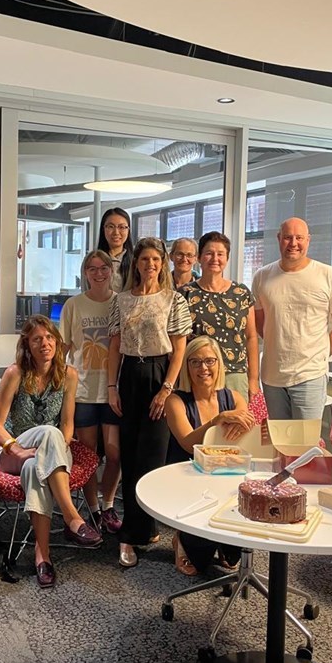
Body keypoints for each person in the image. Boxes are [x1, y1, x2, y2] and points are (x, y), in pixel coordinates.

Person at [0, 315, 103, 589]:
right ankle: (71, 516)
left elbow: (67, 424)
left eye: (50, 337)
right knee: (47, 435)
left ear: (57, 342)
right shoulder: (15, 373)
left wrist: (58, 449)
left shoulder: (68, 375)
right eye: (37, 339)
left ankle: (43, 555)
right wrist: (15, 449)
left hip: (52, 452)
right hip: (14, 451)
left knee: (36, 466)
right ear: (27, 344)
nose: (45, 343)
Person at [108, 237, 191, 568]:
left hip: (160, 376)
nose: (150, 265)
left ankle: (142, 527)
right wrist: (112, 387)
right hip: (129, 375)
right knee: (129, 456)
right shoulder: (122, 300)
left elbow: (180, 348)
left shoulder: (174, 299)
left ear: (163, 263)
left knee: (153, 459)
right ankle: (134, 532)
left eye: (156, 259)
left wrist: (166, 389)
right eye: (145, 259)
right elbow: (114, 346)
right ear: (136, 263)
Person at [164, 337, 254, 574]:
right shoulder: (175, 401)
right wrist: (216, 421)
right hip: (189, 477)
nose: (203, 368)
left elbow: (244, 444)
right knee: (200, 560)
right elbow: (188, 444)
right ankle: (181, 538)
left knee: (233, 554)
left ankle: (222, 542)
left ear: (219, 364)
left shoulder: (235, 398)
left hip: (226, 477)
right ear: (186, 366)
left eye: (209, 361)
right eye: (195, 362)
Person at [252, 217, 332, 421]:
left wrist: (318, 355)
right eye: (288, 237)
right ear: (279, 238)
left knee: (305, 439)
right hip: (272, 376)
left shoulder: (327, 274)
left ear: (308, 240)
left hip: (310, 375)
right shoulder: (262, 276)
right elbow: (259, 323)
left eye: (299, 238)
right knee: (279, 437)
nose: (293, 243)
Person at [59, 250, 122, 534]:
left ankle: (108, 505)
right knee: (88, 457)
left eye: (103, 268)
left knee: (114, 454)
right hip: (83, 391)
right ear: (85, 273)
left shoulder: (120, 302)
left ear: (111, 271)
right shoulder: (74, 305)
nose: (98, 273)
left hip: (112, 391)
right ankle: (93, 509)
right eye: (92, 269)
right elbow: (63, 347)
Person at [179, 231, 260, 403]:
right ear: (199, 258)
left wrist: (253, 379)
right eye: (209, 253)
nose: (215, 258)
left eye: (220, 254)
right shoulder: (185, 294)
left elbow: (251, 337)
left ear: (227, 258)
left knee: (236, 420)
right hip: (198, 374)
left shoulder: (241, 293)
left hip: (234, 374)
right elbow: (178, 341)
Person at [97, 207, 133, 292]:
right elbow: (87, 293)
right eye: (111, 226)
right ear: (103, 229)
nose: (116, 232)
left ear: (128, 230)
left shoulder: (136, 261)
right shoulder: (93, 261)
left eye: (122, 227)